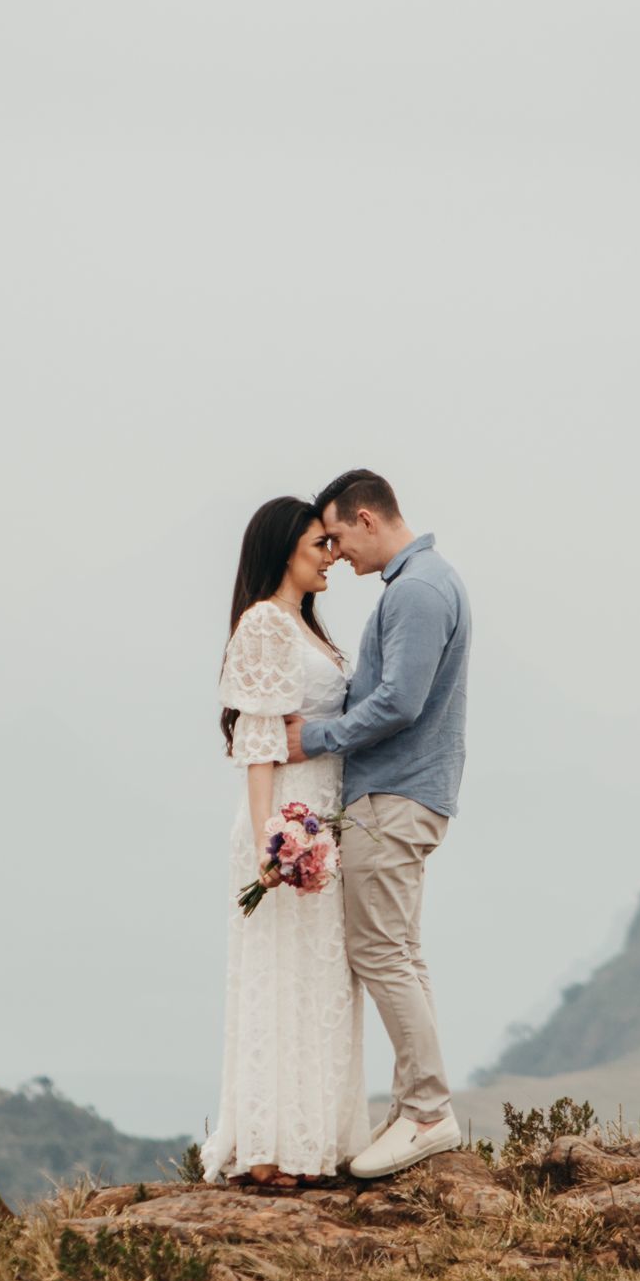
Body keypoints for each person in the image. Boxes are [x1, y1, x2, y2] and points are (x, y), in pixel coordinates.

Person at [285, 469, 471, 1178]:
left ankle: (426, 1111)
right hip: (405, 795)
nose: (335, 554)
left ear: (366, 519)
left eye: (336, 536)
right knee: (400, 950)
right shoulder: (421, 582)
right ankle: (414, 1106)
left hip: (394, 797)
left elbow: (399, 702)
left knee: (379, 952)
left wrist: (317, 740)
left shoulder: (419, 590)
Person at [199, 497, 370, 1187]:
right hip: (286, 823)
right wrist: (275, 838)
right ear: (283, 552)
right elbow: (260, 736)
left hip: (319, 823)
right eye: (317, 545)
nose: (331, 555)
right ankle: (269, 1147)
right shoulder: (267, 623)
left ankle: (315, 1139)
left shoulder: (310, 628)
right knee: (280, 977)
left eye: (332, 544)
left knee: (321, 978)